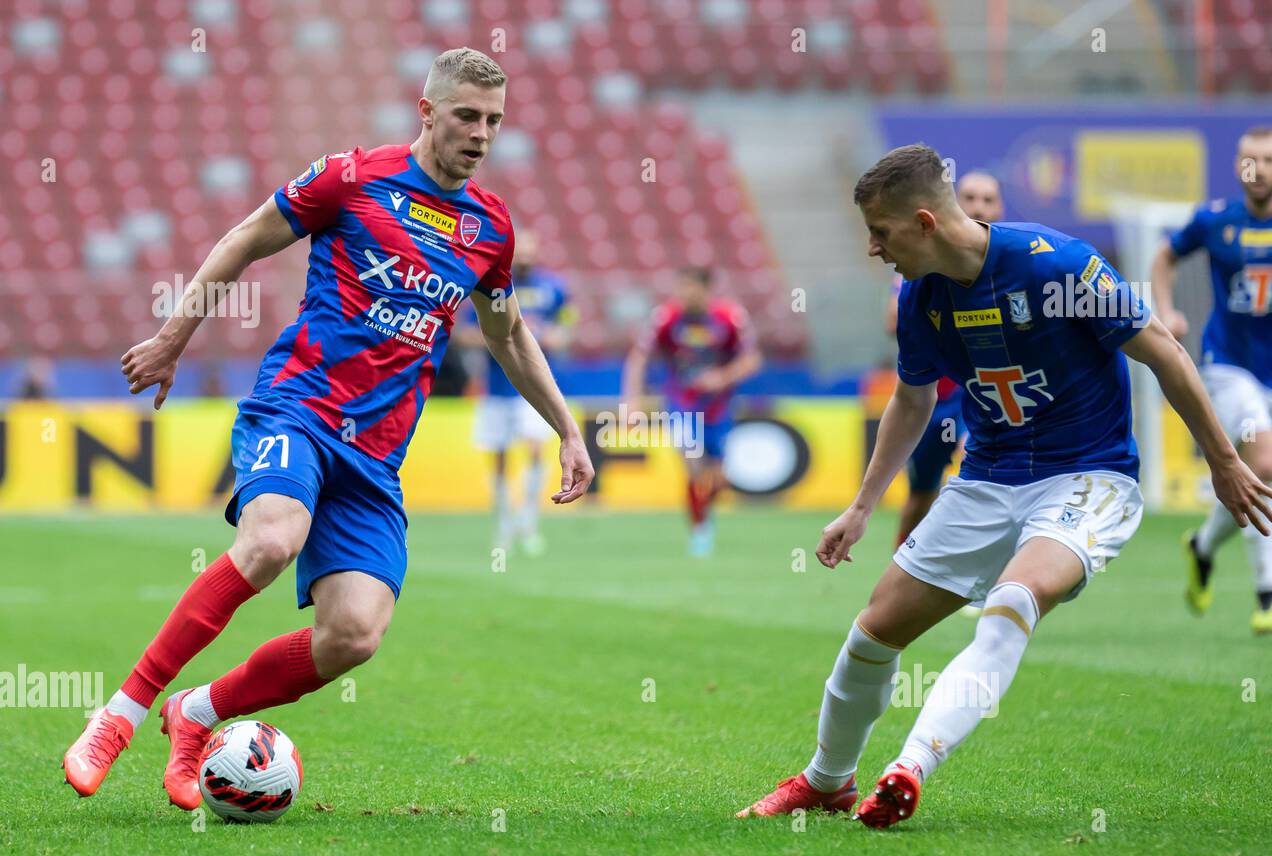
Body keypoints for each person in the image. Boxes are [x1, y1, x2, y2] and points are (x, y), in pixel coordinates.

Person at [63, 48, 594, 811]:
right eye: (467, 117)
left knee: (355, 635)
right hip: (299, 406)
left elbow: (507, 334)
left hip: (375, 457)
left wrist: (567, 431)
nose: (481, 134)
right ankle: (119, 717)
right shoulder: (352, 177)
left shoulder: (490, 227)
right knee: (272, 540)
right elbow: (245, 237)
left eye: (494, 122)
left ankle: (196, 713)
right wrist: (174, 336)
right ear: (428, 112)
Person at [737, 144, 1272, 828]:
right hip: (988, 480)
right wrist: (862, 506)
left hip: (1089, 476)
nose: (873, 248)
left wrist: (1223, 460)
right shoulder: (919, 298)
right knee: (873, 634)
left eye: (881, 231)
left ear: (926, 222)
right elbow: (912, 400)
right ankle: (827, 781)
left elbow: (1164, 353)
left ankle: (909, 768)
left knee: (1013, 601)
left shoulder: (1060, 265)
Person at [1151, 125, 1272, 636]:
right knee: (1263, 460)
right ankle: (1268, 591)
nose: (1257, 168)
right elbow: (1164, 257)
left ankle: (1203, 546)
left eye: (1269, 159)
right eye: (1248, 159)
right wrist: (1166, 310)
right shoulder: (1215, 220)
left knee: (1259, 475)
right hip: (1228, 364)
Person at [885, 170, 1004, 549]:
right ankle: (902, 567)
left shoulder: (1015, 263)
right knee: (921, 494)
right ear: (953, 204)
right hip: (934, 398)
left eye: (988, 199)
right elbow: (893, 320)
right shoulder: (923, 264)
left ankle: (993, 575)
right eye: (969, 197)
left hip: (988, 395)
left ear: (1000, 207)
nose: (978, 206)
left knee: (986, 471)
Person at [621, 266, 761, 557]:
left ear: (706, 290)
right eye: (680, 289)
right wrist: (631, 402)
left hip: (719, 407)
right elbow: (639, 357)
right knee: (692, 464)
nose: (683, 295)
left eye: (689, 289)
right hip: (681, 403)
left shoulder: (730, 318)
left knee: (718, 479)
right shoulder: (666, 317)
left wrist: (721, 378)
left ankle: (704, 514)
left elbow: (752, 360)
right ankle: (700, 531)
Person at [465, 228, 576, 554]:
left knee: (536, 449)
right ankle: (503, 525)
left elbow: (568, 329)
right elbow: (467, 332)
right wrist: (498, 337)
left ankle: (528, 523)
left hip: (534, 390)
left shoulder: (555, 289)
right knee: (499, 458)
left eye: (530, 250)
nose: (525, 256)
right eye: (520, 251)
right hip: (497, 389)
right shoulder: (491, 284)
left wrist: (553, 336)